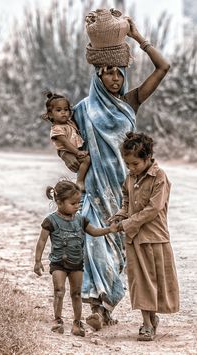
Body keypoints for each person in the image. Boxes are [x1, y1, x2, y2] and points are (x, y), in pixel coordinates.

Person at [59, 16, 171, 330]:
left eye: (118, 74)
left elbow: (163, 68)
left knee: (120, 252)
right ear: (98, 75)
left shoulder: (130, 103)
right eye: (108, 74)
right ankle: (98, 307)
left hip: (126, 193)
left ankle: (107, 307)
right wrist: (69, 156)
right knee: (94, 246)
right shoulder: (82, 109)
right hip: (94, 190)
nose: (115, 80)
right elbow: (66, 137)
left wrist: (138, 37)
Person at [109, 132, 179, 341]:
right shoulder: (130, 177)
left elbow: (153, 209)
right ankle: (146, 323)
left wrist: (127, 223)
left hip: (155, 237)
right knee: (140, 281)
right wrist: (119, 215)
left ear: (148, 158)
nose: (131, 169)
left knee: (155, 280)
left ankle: (153, 318)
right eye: (128, 165)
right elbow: (126, 200)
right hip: (134, 238)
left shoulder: (160, 177)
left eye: (135, 164)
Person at [34, 180, 118, 337]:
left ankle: (77, 323)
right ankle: (58, 321)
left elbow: (94, 232)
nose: (77, 206)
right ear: (59, 202)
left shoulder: (80, 220)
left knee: (76, 293)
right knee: (59, 290)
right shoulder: (51, 221)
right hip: (58, 262)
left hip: (76, 263)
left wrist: (110, 229)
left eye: (79, 203)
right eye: (73, 203)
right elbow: (42, 241)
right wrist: (37, 261)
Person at [41, 92, 90, 191]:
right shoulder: (56, 129)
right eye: (59, 110)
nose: (63, 112)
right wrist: (77, 152)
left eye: (66, 110)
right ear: (50, 114)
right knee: (86, 160)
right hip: (69, 151)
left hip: (76, 150)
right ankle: (80, 181)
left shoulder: (69, 122)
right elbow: (65, 143)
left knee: (86, 161)